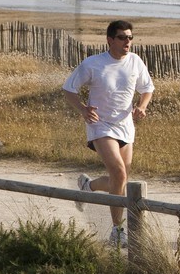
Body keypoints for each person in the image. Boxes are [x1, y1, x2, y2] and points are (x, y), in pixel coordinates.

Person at [62, 20, 155, 249]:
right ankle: (118, 230)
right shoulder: (93, 64)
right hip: (100, 125)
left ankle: (89, 187)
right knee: (120, 173)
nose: (127, 42)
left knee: (120, 179)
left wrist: (142, 106)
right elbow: (68, 89)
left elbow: (147, 88)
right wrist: (83, 109)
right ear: (110, 40)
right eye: (122, 37)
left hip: (125, 125)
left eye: (130, 38)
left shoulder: (135, 61)